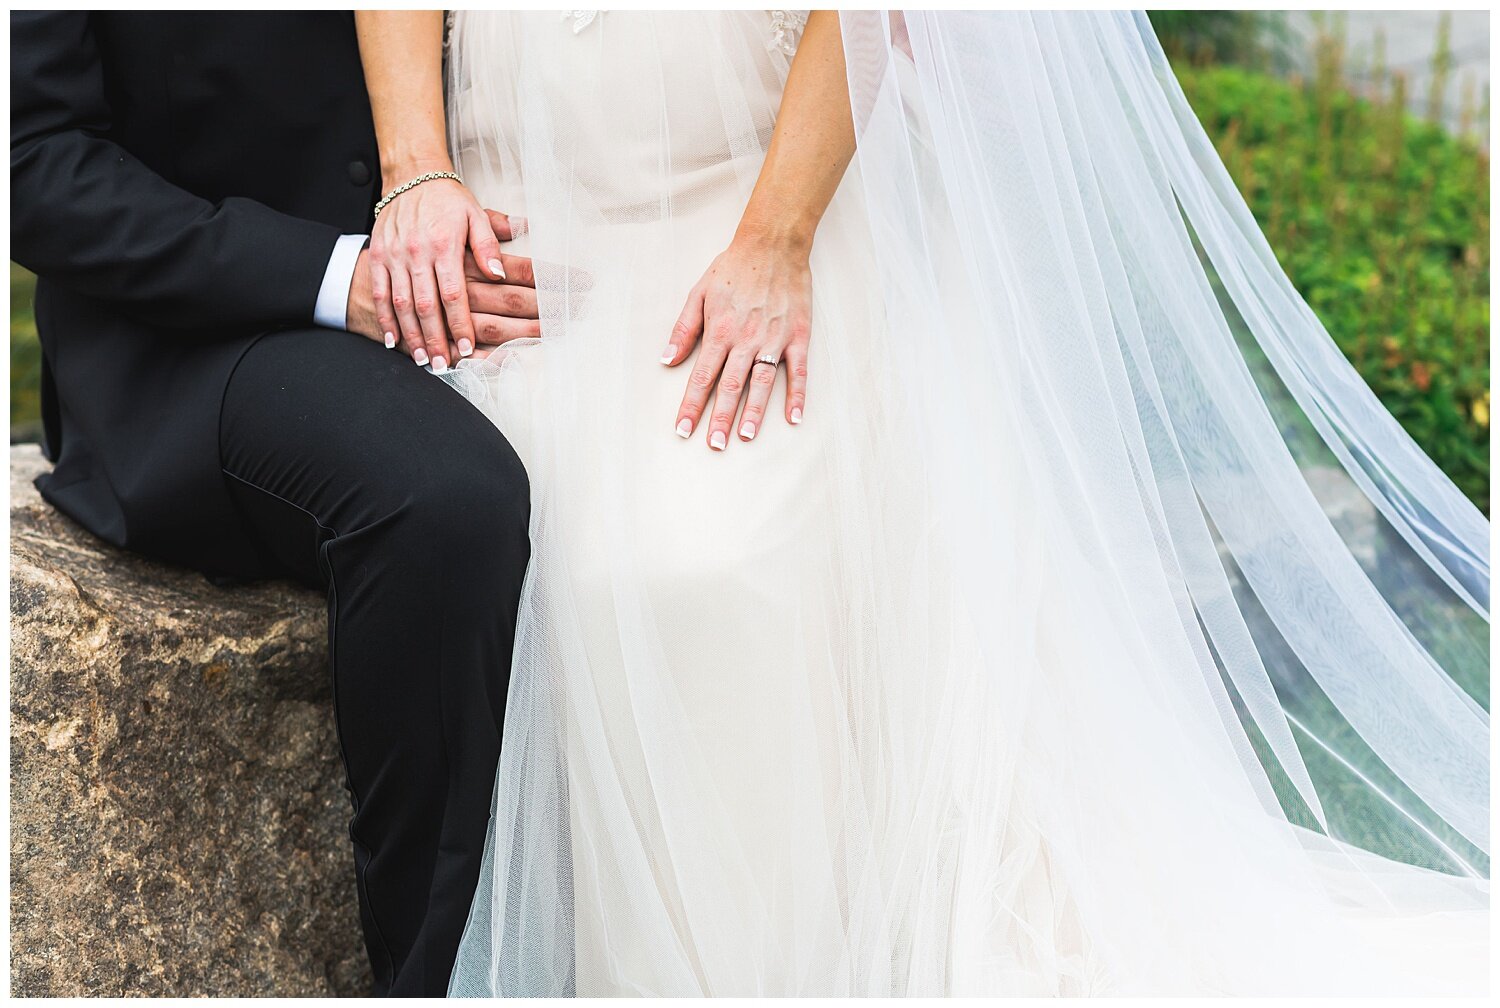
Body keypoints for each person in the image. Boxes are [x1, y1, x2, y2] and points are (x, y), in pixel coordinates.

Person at [356, 8, 1490, 997]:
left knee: (689, 564)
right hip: (506, 236)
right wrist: (416, 172)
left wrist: (774, 242)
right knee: (462, 512)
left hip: (746, 209)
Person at [9, 12, 541, 995]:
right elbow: (32, 161)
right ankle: (434, 981)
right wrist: (337, 276)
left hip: (480, 245)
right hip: (199, 331)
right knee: (444, 500)